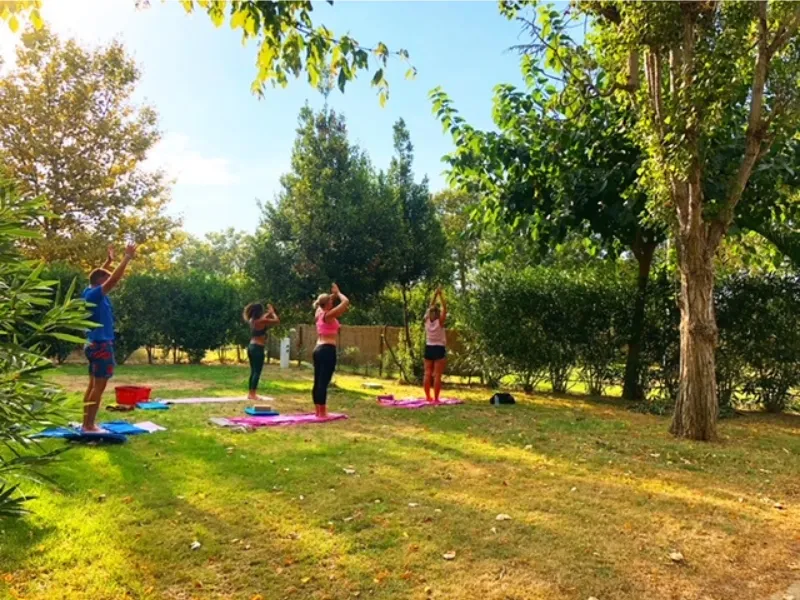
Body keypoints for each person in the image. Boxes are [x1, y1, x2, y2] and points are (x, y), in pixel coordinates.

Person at [81, 242, 136, 432]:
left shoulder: (88, 291)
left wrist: (108, 261)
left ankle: (86, 423)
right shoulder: (95, 295)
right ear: (100, 282)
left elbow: (100, 276)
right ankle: (89, 425)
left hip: (93, 344)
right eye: (106, 276)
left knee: (92, 386)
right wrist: (126, 257)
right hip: (101, 345)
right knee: (99, 387)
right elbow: (111, 280)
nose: (110, 279)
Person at [312, 283, 350, 418]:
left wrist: (332, 295)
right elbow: (345, 302)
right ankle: (322, 413)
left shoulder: (319, 312)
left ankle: (318, 410)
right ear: (327, 304)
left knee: (317, 381)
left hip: (317, 349)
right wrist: (338, 292)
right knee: (323, 382)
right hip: (327, 349)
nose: (332, 303)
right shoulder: (329, 315)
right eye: (331, 301)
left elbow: (325, 301)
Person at [243, 302, 280, 400]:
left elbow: (263, 318)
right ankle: (253, 394)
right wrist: (272, 312)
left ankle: (250, 393)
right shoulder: (261, 321)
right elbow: (277, 321)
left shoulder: (252, 320)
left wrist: (269, 313)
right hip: (258, 348)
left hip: (251, 346)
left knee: (253, 371)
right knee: (257, 372)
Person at [423, 286, 447, 403]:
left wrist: (434, 295)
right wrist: (440, 295)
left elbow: (429, 307)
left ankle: (428, 397)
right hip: (439, 348)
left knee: (427, 373)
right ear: (438, 314)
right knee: (437, 375)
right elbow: (445, 308)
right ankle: (436, 398)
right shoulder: (440, 321)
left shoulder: (427, 320)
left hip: (429, 347)